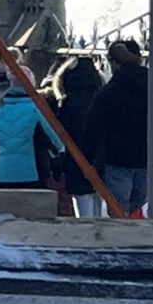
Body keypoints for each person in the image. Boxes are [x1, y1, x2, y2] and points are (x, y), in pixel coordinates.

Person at [88, 39, 149, 215]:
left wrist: (89, 160)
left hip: (116, 160)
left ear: (114, 63)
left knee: (119, 212)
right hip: (147, 158)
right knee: (142, 209)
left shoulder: (107, 93)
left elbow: (92, 129)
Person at [0, 75, 59, 189]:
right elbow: (53, 137)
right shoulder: (34, 109)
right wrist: (60, 153)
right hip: (29, 172)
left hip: (3, 173)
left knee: (7, 206)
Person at [48, 56, 105, 214]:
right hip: (101, 161)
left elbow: (60, 133)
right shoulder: (102, 99)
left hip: (76, 160)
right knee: (99, 205)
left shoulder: (67, 104)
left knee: (84, 208)